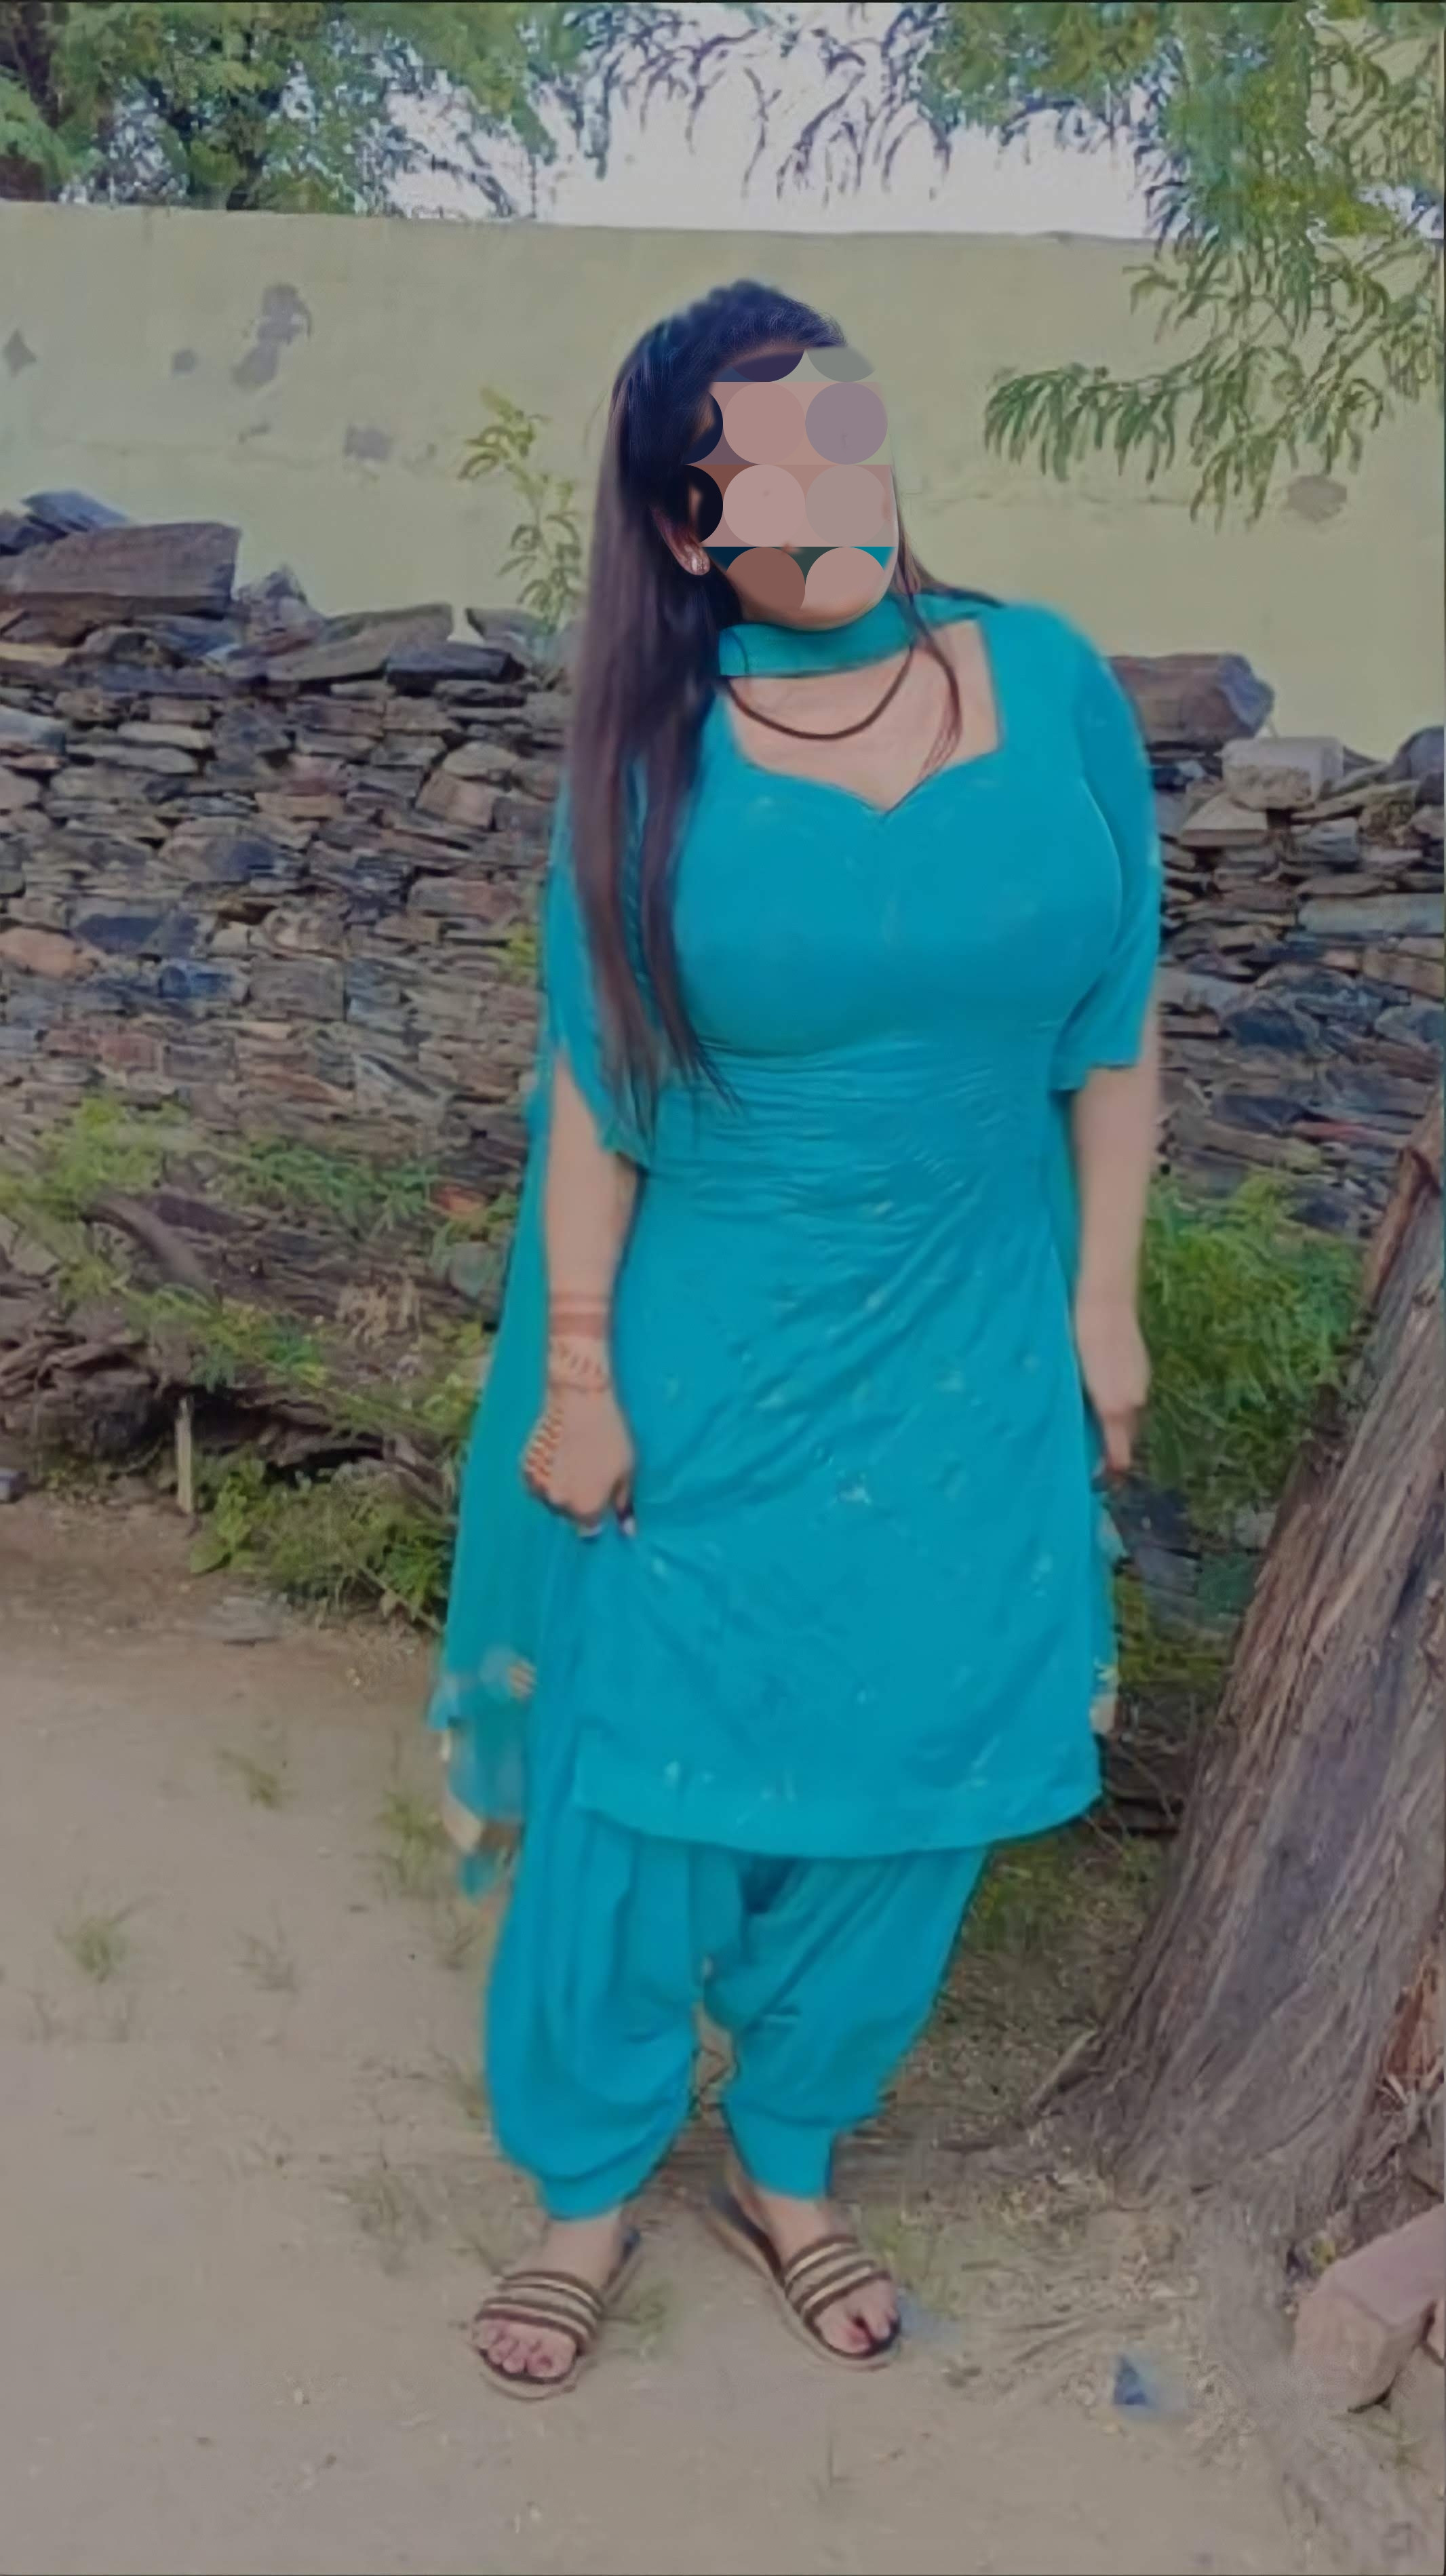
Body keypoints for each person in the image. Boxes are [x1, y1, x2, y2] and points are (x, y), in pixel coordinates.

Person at [427, 279, 1162, 2397]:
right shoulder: (647, 762)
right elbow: (595, 1090)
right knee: (647, 1779)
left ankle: (786, 2155)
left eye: (838, 426)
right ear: (687, 525)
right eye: (763, 458)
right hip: (714, 1347)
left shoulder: (1046, 680)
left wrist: (1101, 1308)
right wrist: (581, 1374)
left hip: (976, 1337)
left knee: (923, 1771)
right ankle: (587, 2184)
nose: (826, 481)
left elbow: (1115, 1027)